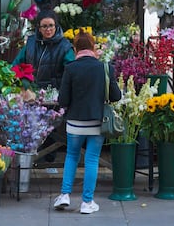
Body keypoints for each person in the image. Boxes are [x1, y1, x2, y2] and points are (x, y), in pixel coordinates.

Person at [54, 28, 121, 214]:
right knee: (92, 160)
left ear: (75, 49)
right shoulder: (105, 68)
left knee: (71, 156)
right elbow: (116, 96)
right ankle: (87, 202)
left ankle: (65, 195)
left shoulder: (70, 68)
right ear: (93, 47)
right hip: (97, 122)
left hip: (74, 122)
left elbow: (63, 100)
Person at [12, 9, 75, 89]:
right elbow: (16, 65)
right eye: (44, 26)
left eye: (51, 25)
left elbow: (71, 72)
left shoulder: (65, 47)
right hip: (31, 91)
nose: (48, 29)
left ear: (56, 26)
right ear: (39, 28)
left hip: (55, 93)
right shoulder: (31, 43)